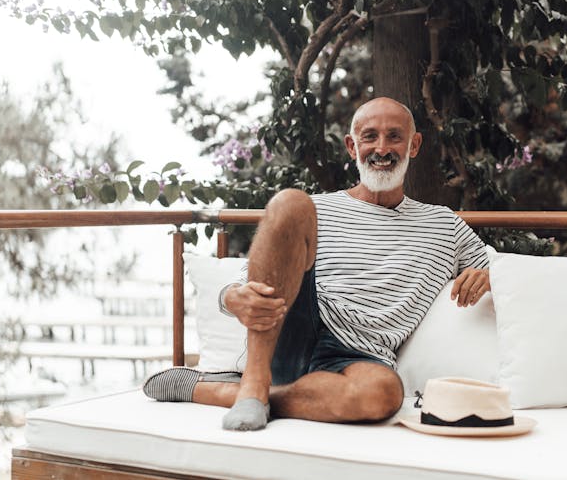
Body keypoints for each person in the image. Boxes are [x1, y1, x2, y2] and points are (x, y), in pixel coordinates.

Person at [143, 97, 490, 431]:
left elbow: (502, 270)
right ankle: (254, 381)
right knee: (291, 202)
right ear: (352, 147)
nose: (382, 148)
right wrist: (231, 296)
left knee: (384, 395)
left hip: (361, 355)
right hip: (293, 326)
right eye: (369, 136)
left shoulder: (445, 225)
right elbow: (246, 278)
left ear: (413, 145)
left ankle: (223, 391)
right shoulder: (317, 209)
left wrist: (486, 274)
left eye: (394, 136)